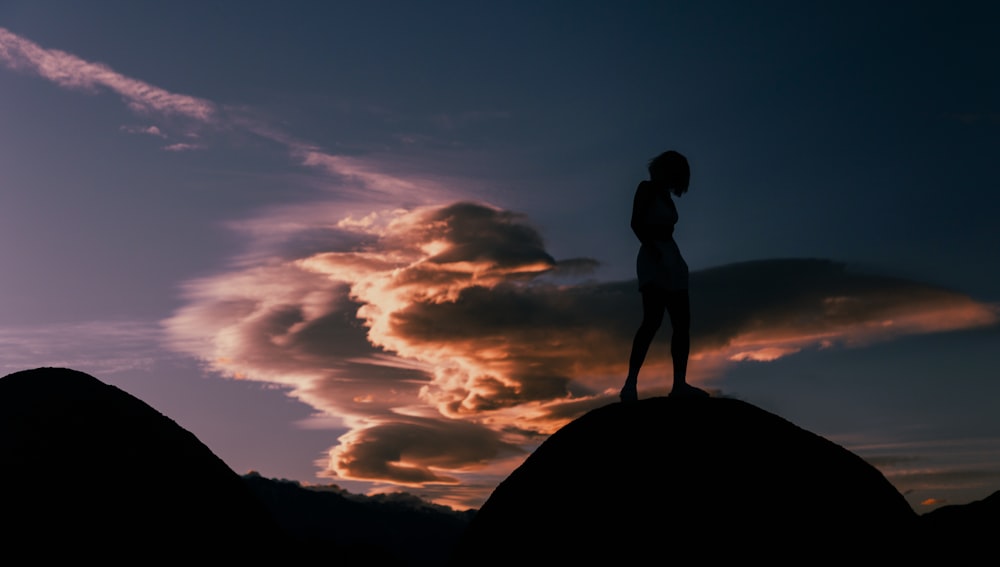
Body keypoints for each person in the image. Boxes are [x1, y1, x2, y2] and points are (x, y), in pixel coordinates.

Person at [620, 150, 708, 402]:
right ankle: (630, 384)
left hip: (673, 258)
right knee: (652, 320)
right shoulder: (646, 188)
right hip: (653, 256)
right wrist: (653, 250)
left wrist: (669, 258)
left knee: (682, 323)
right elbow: (636, 223)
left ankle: (679, 383)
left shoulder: (667, 198)